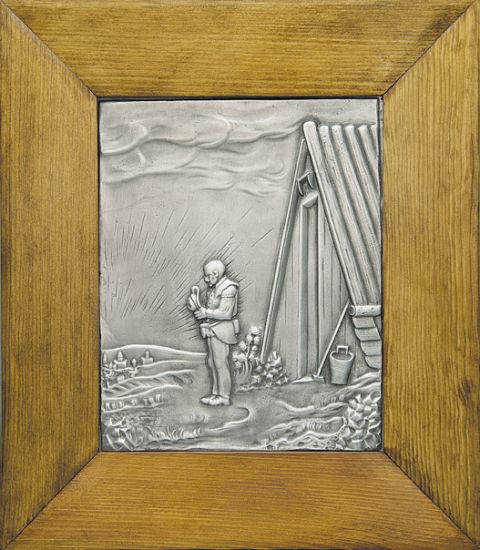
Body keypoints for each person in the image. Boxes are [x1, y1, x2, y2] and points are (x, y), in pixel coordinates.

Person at [190, 260, 239, 406]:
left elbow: (225, 313)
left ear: (216, 274)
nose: (206, 279)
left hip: (222, 331)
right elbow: (213, 310)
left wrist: (205, 312)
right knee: (212, 362)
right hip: (213, 329)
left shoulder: (229, 288)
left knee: (220, 362)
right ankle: (216, 393)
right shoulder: (215, 287)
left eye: (207, 276)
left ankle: (224, 396)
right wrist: (200, 311)